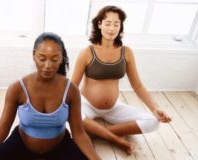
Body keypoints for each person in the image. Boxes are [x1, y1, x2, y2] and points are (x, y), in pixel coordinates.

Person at [0, 32, 100, 160]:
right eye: (42, 58)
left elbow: (79, 134)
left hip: (60, 146)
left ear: (62, 58)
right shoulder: (17, 88)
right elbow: (1, 130)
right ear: (34, 55)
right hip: (22, 145)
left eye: (54, 59)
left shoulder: (71, 90)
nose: (48, 65)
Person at [71, 5, 172, 155]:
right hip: (87, 105)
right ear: (99, 24)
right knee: (68, 120)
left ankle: (100, 133)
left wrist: (155, 109)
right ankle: (115, 138)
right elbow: (72, 87)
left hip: (113, 107)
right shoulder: (87, 52)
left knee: (153, 122)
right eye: (107, 23)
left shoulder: (127, 52)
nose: (111, 28)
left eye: (116, 24)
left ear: (120, 26)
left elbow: (138, 86)